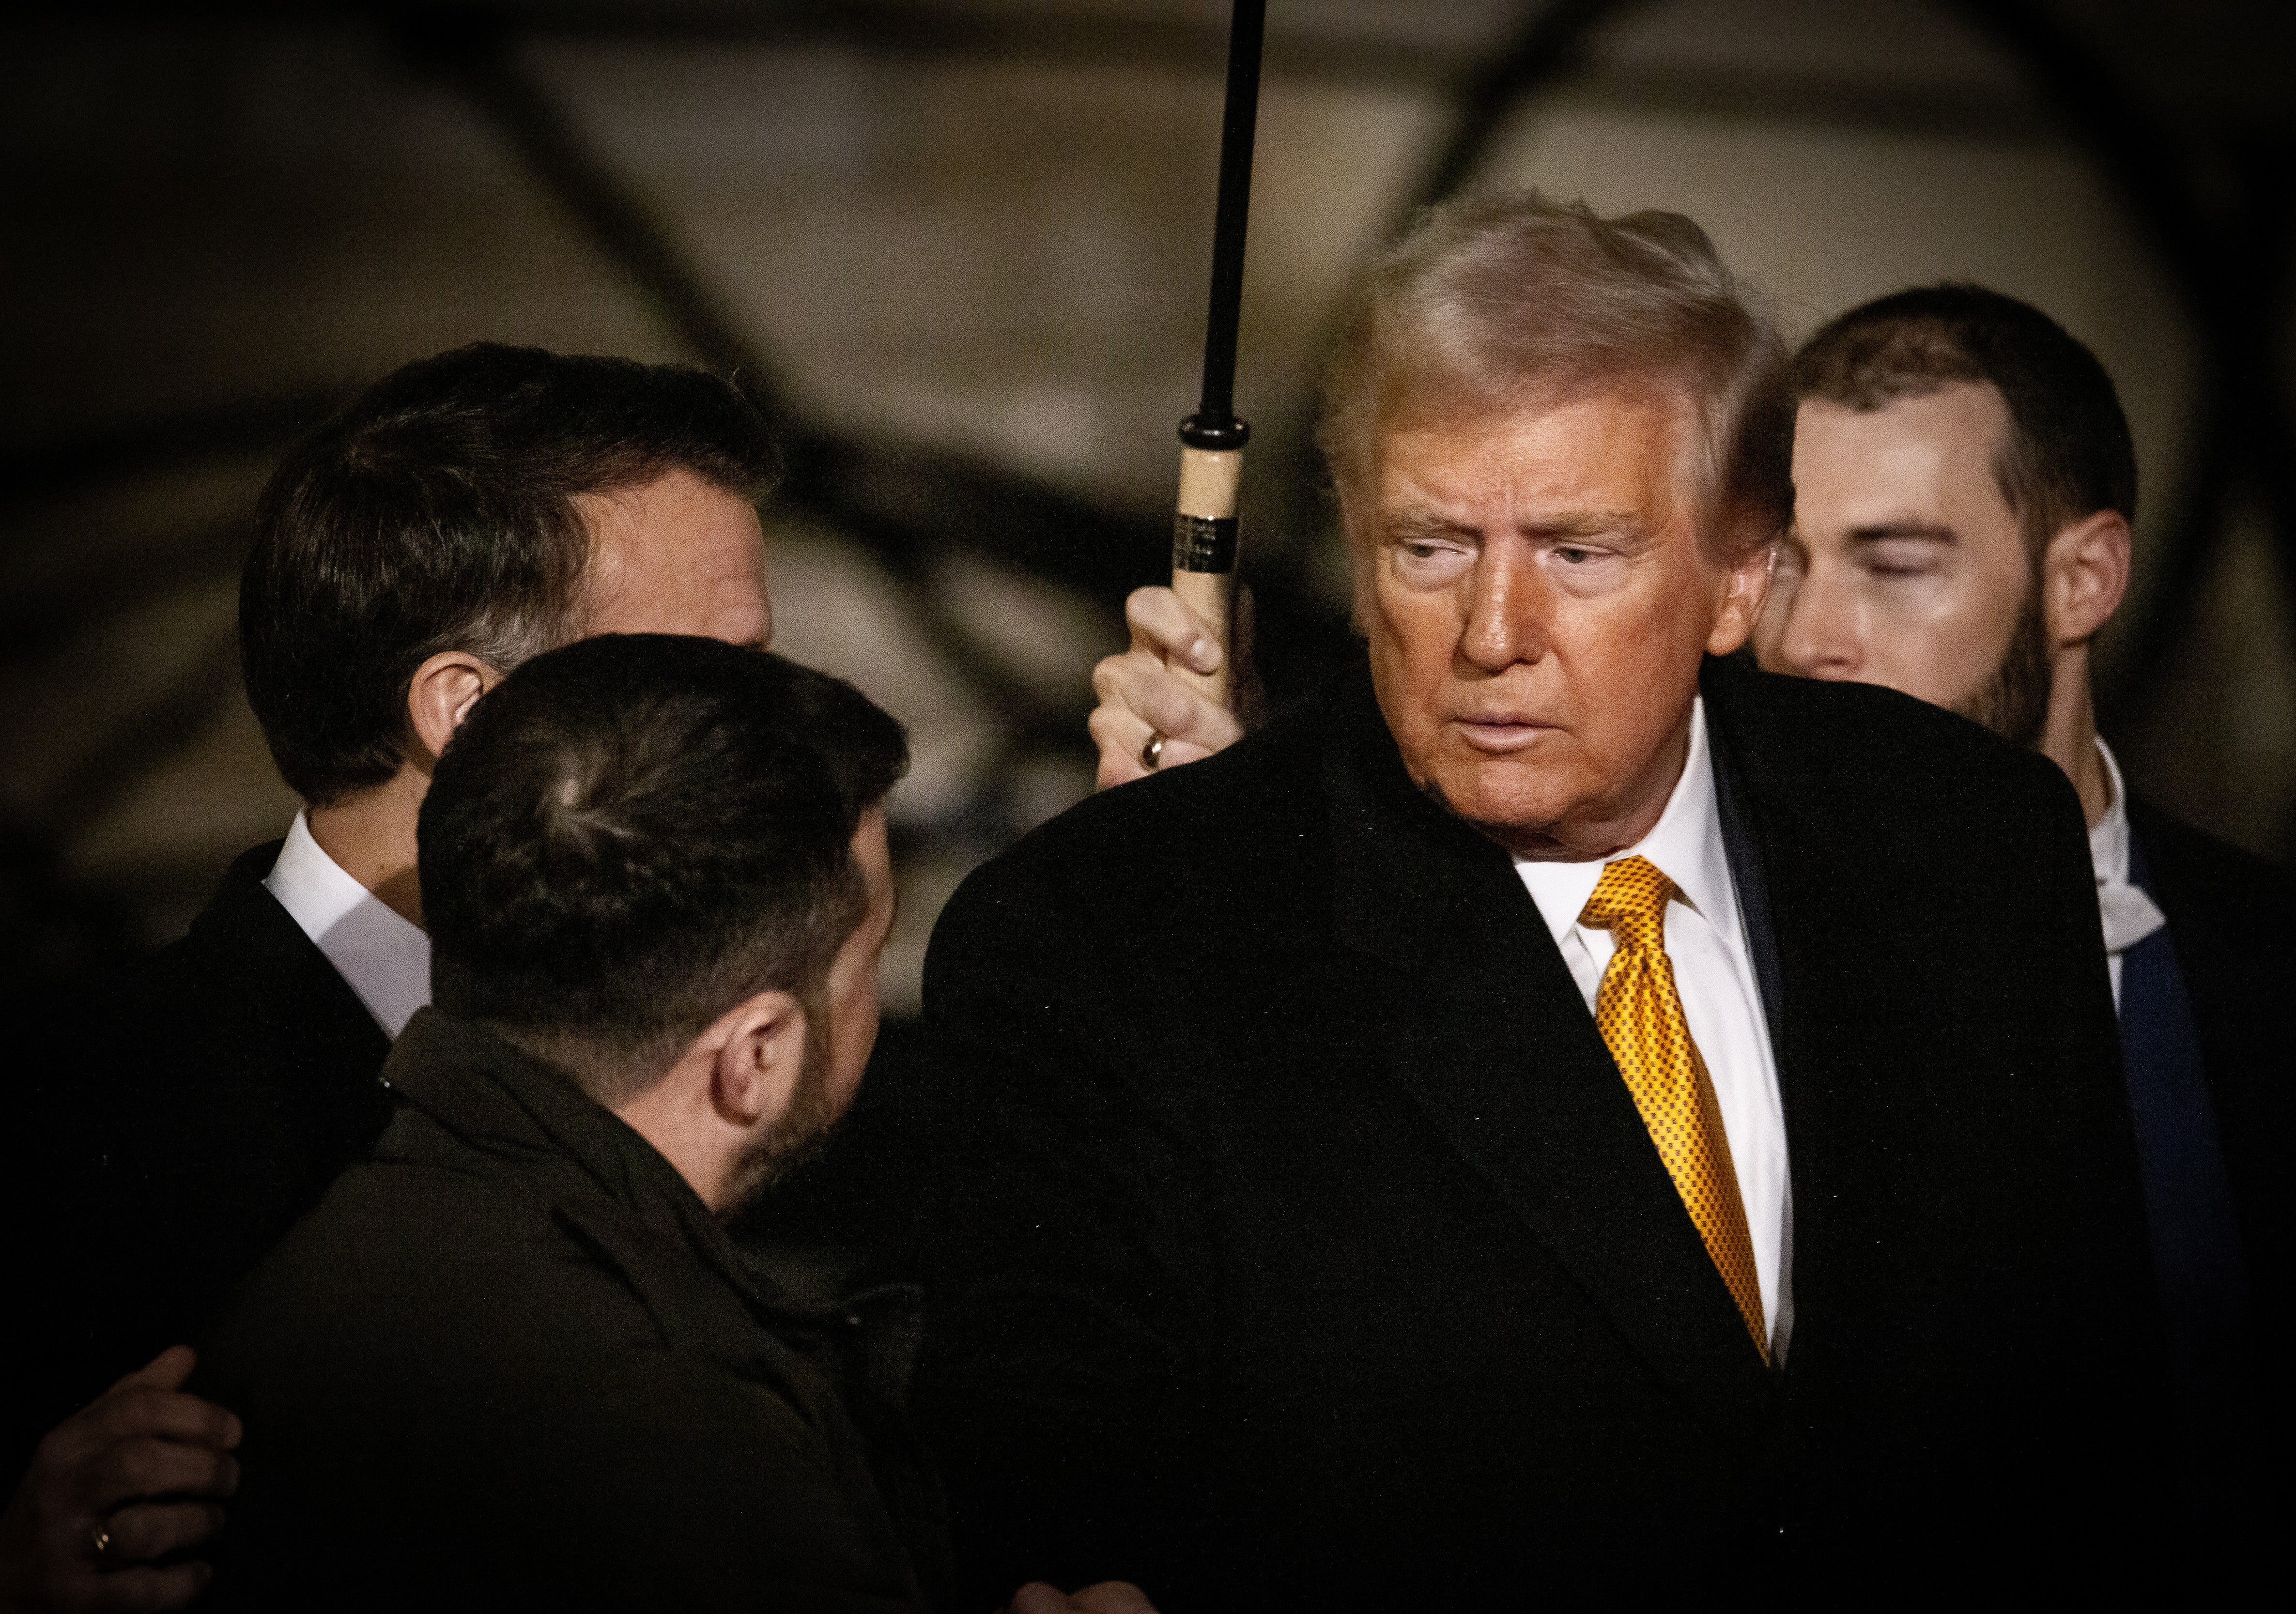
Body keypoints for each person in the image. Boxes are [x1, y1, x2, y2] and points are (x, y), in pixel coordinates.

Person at [885, 192, 2165, 1608]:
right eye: (1430, 547)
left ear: (1742, 577)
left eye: (1577, 551)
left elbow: (2088, 1435)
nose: (1495, 636)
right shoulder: (1108, 937)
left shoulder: (1968, 842)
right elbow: (1048, 1501)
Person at [2, 342, 783, 1611]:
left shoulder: (743, 1042)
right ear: (466, 714)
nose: (783, 731)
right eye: (712, 680)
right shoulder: (68, 1107)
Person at [1757, 285, 2296, 1578]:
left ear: (2084, 577)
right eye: (1786, 564)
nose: (1811, 637)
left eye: (1893, 565)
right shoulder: (1685, 941)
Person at [190, 632, 884, 1607]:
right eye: (865, 962)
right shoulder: (683, 1442)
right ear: (754, 1055)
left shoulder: (318, 1265)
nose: (876, 1006)